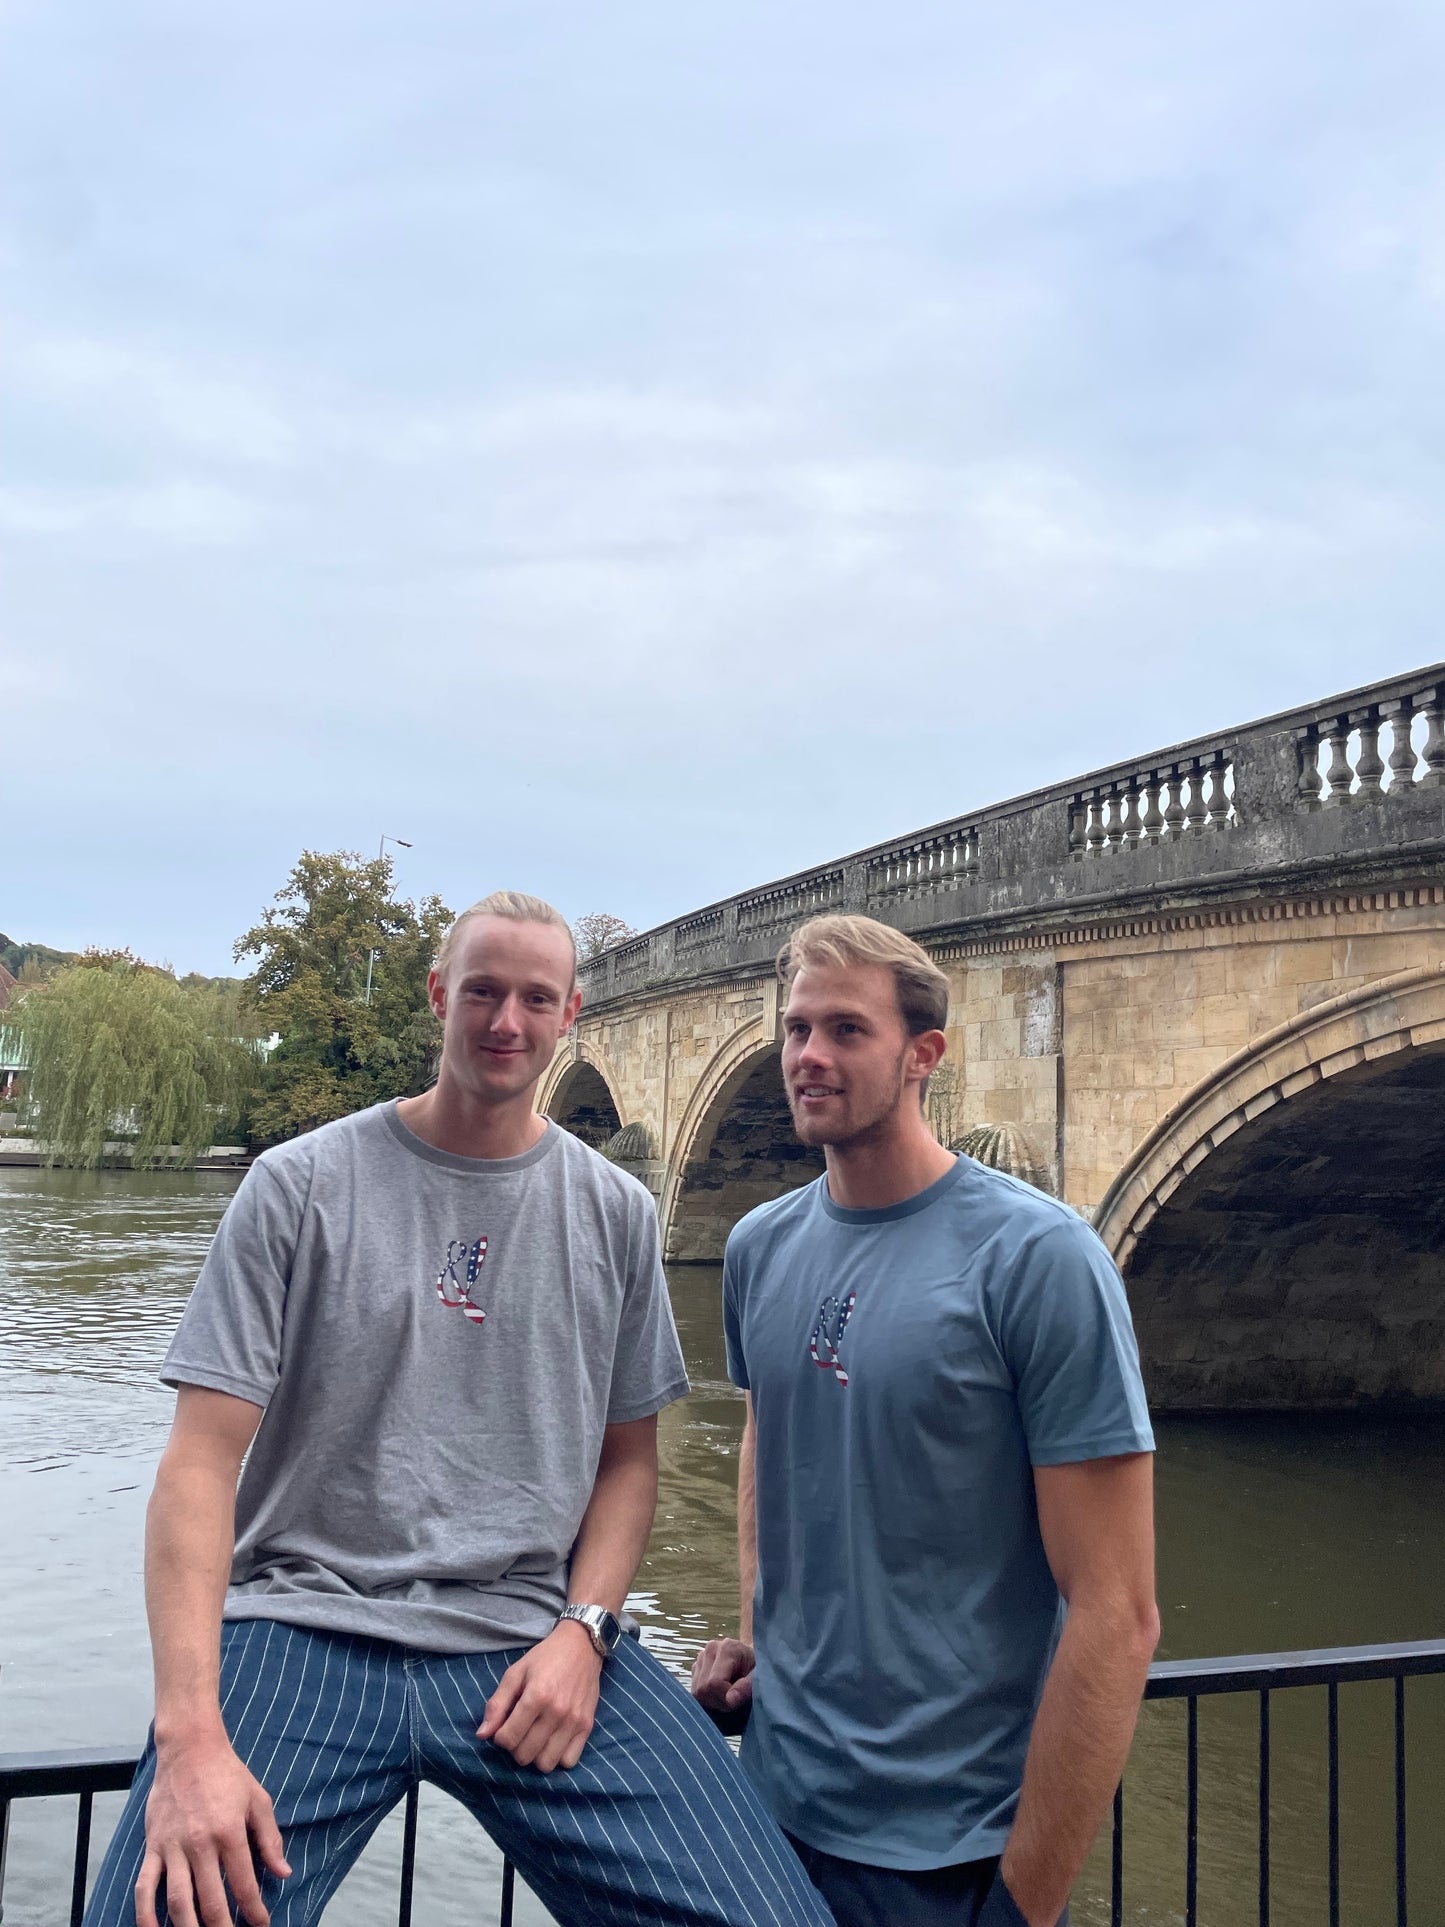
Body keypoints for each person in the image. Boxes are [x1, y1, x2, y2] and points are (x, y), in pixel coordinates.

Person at [84, 891, 832, 1927]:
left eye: (535, 999)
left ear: (569, 1017)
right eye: (482, 991)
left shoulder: (616, 1211)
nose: (505, 1022)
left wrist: (588, 1632)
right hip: (304, 1624)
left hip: (529, 1639)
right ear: (439, 996)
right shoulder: (295, 1185)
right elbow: (199, 1465)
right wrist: (190, 1737)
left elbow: (627, 1463)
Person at [691, 914, 1159, 1927]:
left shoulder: (1037, 1260)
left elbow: (1117, 1613)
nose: (808, 1056)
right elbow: (769, 1447)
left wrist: (1021, 1905)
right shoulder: (757, 1248)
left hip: (948, 1852)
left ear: (922, 1054)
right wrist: (760, 1630)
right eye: (795, 1028)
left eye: (845, 1031)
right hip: (764, 1815)